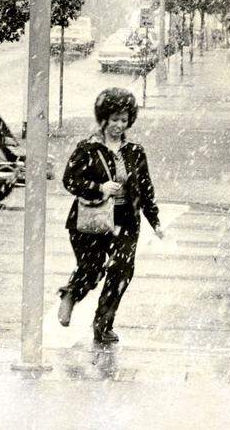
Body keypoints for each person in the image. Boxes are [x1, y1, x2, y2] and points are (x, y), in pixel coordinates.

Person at [58, 88, 164, 345]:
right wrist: (99, 188)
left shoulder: (135, 151)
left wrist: (155, 220)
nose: (118, 125)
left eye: (124, 120)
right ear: (103, 118)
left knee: (121, 271)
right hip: (91, 218)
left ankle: (103, 324)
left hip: (126, 219)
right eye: (114, 119)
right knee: (91, 269)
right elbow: (70, 180)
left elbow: (145, 188)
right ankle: (72, 294)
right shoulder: (88, 148)